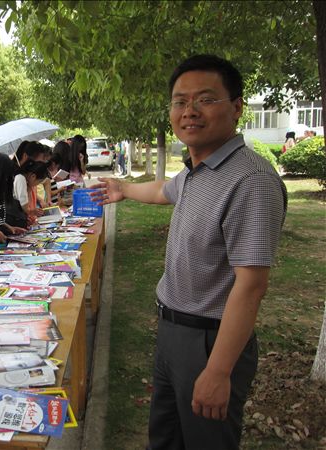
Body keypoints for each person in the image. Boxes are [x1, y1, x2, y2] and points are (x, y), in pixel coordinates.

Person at [91, 54, 287, 449]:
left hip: (210, 341)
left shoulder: (250, 179)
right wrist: (123, 190)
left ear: (236, 108)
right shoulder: (198, 169)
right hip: (173, 331)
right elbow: (164, 190)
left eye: (205, 99)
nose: (189, 111)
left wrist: (218, 370)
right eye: (180, 101)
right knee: (165, 439)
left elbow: (251, 286)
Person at [13, 160, 48, 225]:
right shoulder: (21, 179)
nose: (37, 184)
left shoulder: (25, 180)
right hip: (16, 218)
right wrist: (33, 211)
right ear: (33, 176)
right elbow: (24, 205)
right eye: (39, 182)